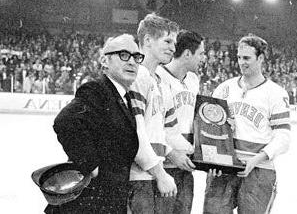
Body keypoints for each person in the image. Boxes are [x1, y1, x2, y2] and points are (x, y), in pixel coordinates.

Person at [44, 34, 142, 213]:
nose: (132, 62)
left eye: (136, 57)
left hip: (108, 198)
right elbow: (65, 122)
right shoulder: (96, 90)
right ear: (105, 61)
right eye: (124, 55)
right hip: (89, 201)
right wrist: (92, 166)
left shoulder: (122, 96)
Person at [203, 34, 291, 214]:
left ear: (260, 58)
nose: (241, 62)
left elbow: (283, 137)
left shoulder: (275, 93)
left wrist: (257, 159)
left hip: (259, 170)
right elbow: (209, 127)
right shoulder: (224, 88)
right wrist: (212, 160)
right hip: (224, 168)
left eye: (247, 58)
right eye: (239, 57)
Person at [128, 14, 188, 213]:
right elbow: (136, 135)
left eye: (175, 42)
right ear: (147, 41)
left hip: (152, 175)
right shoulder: (136, 77)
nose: (173, 47)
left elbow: (168, 134)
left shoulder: (160, 83)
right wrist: (161, 175)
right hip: (137, 178)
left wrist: (202, 157)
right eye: (167, 41)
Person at [155, 30, 205, 213]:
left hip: (186, 166)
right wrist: (170, 153)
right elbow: (153, 125)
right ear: (187, 54)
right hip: (163, 166)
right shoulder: (158, 77)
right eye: (201, 53)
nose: (203, 58)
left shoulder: (193, 79)